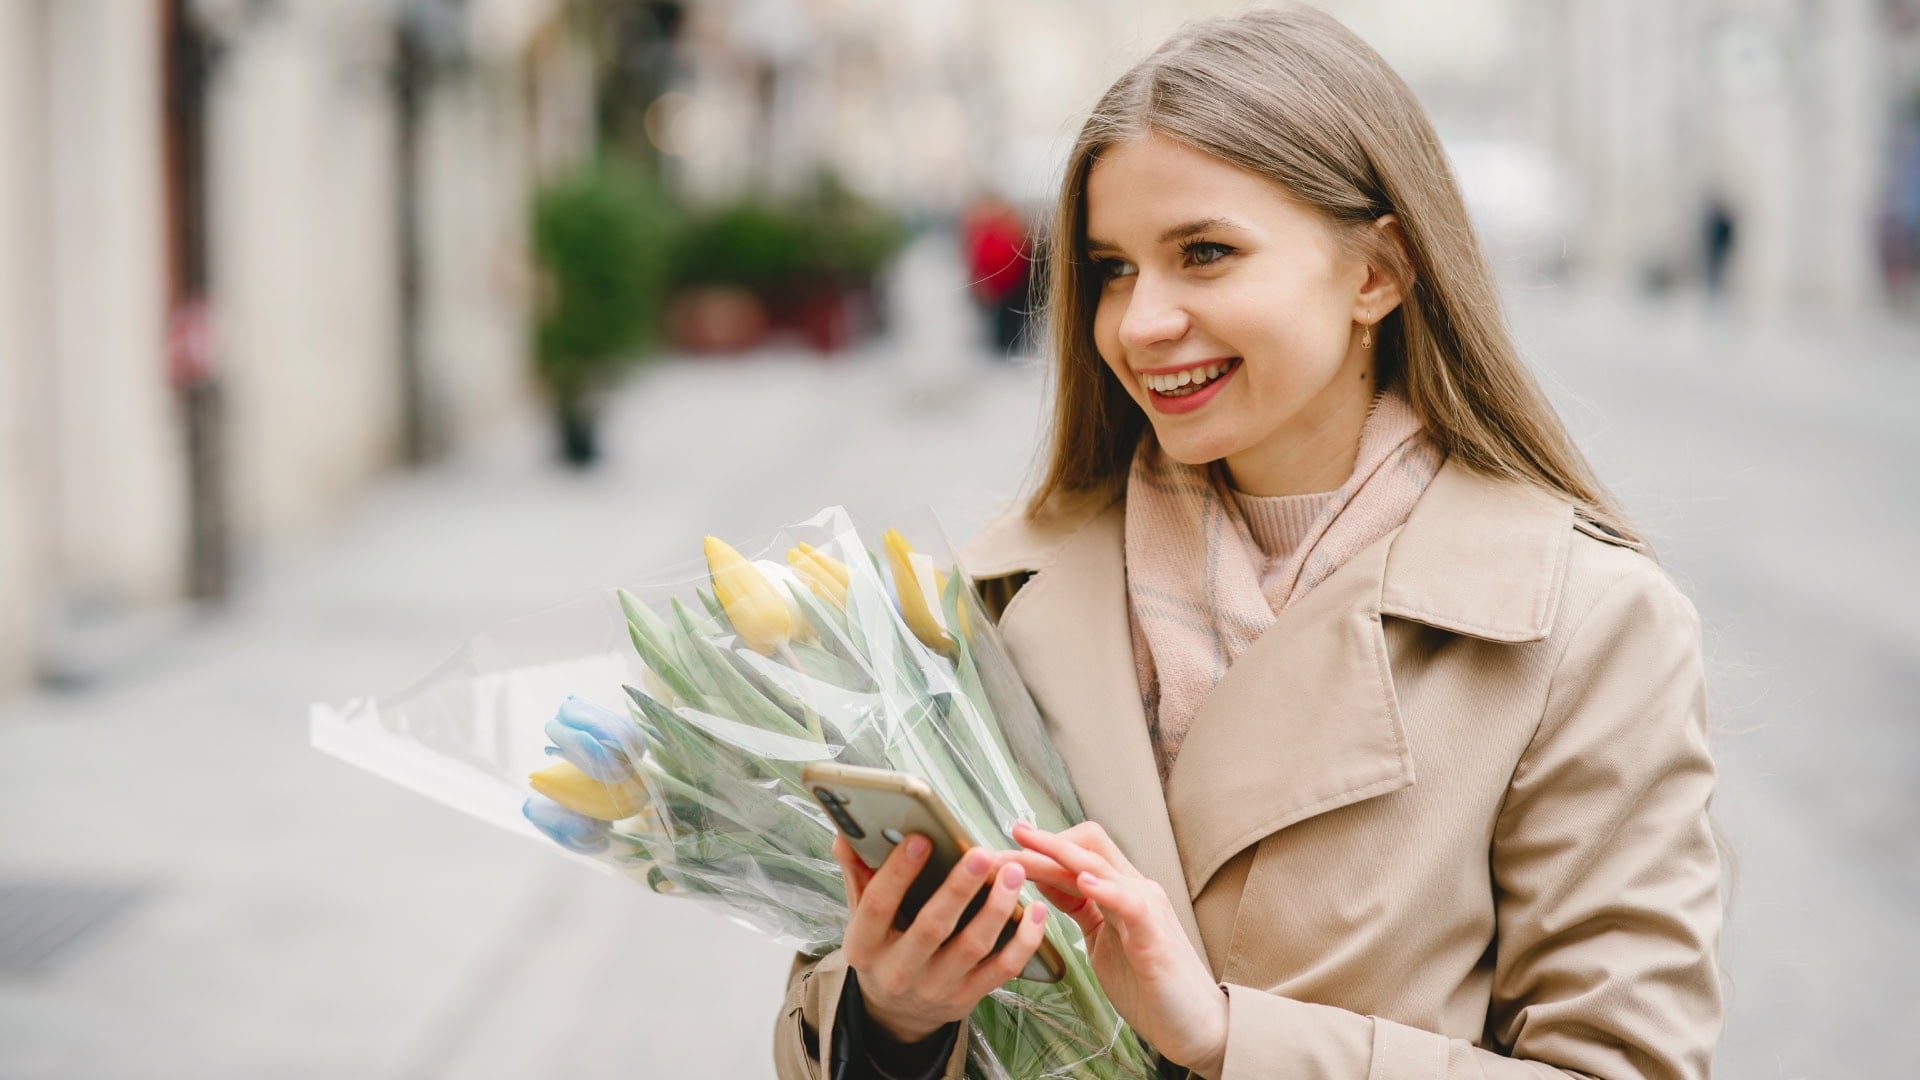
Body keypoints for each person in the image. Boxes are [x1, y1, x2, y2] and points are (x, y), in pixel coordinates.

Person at [774, 7, 1724, 1079]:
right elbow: (840, 1007)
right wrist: (893, 1019)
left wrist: (1232, 1040)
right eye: (1113, 268)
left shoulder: (1584, 628)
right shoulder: (998, 600)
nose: (1139, 322)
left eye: (1205, 254)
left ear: (1380, 271)